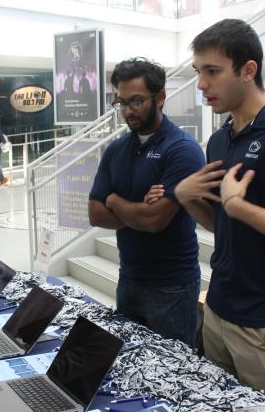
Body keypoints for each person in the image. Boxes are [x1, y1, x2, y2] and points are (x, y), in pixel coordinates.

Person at [174, 19, 265, 410]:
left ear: (248, 70)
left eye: (212, 72)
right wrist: (188, 199)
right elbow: (223, 225)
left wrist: (240, 206)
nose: (202, 84)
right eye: (198, 73)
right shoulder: (220, 138)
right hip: (220, 310)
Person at [88, 57, 205, 347]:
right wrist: (135, 208)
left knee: (172, 376)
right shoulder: (116, 150)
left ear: (160, 97)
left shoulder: (182, 150)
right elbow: (94, 213)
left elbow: (154, 221)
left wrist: (114, 200)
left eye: (136, 101)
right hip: (128, 279)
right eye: (121, 103)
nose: (128, 111)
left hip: (172, 288)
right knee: (129, 369)